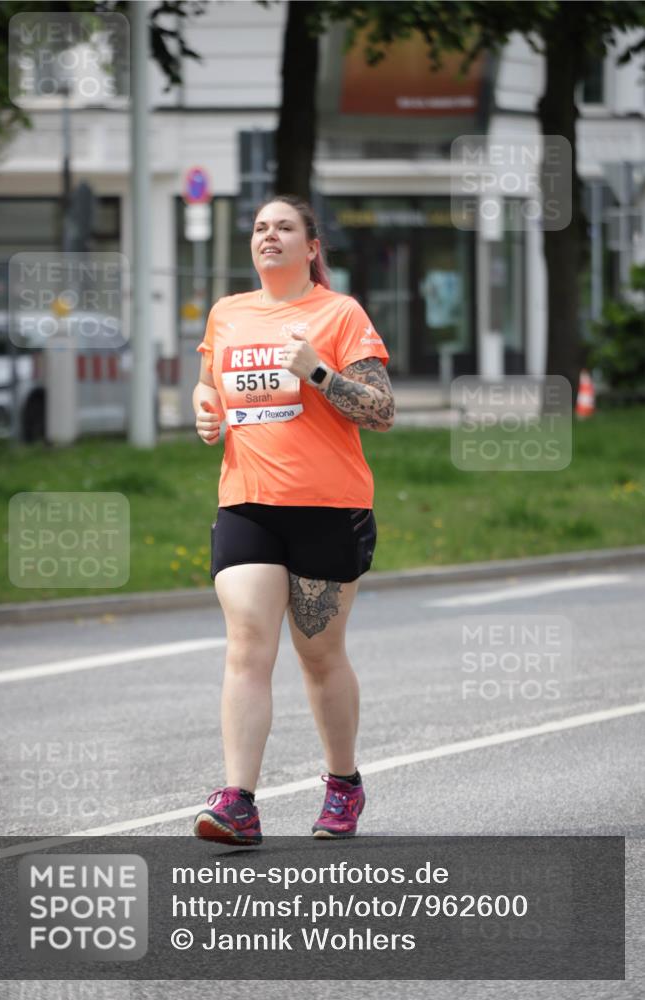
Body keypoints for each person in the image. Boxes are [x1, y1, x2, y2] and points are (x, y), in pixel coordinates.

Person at [191, 195, 395, 845]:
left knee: (317, 655)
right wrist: (203, 409)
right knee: (248, 643)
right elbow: (205, 383)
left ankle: (342, 785)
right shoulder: (228, 314)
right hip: (247, 502)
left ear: (312, 247)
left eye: (284, 227)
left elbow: (380, 410)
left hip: (327, 508)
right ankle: (237, 803)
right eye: (258, 228)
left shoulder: (339, 314)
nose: (267, 236)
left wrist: (315, 371)